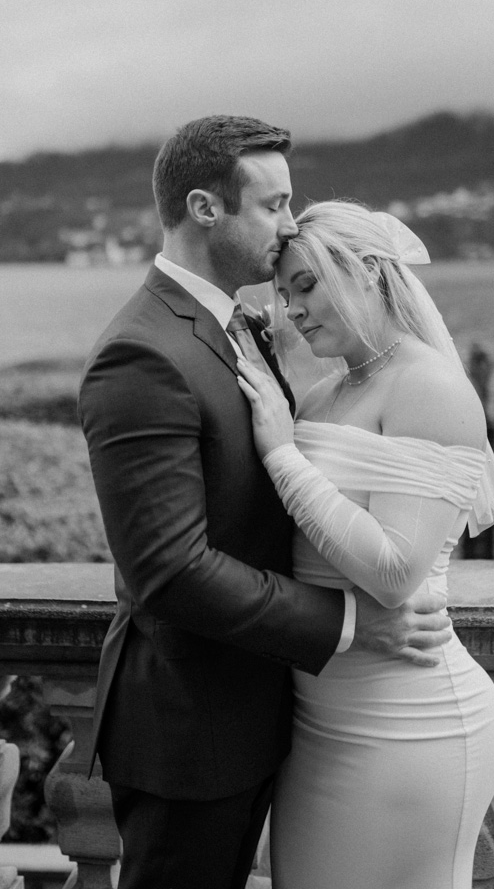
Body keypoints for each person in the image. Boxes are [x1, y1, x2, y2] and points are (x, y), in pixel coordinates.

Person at [78, 117, 452, 889]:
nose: (290, 226)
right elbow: (169, 571)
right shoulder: (141, 352)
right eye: (274, 205)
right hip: (191, 730)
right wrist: (355, 621)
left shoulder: (231, 325)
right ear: (206, 208)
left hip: (261, 712)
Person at [236, 200, 494, 889]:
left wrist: (279, 454)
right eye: (282, 293)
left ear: (367, 272)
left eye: (306, 286)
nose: (292, 309)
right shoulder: (322, 396)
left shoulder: (431, 387)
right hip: (317, 723)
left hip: (411, 723)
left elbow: (392, 573)